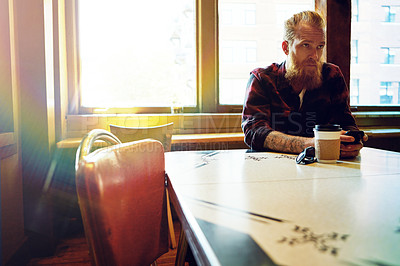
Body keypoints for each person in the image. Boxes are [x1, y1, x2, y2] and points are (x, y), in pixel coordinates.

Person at [241, 10, 367, 158]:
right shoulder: (262, 79)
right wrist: (311, 144)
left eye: (320, 46)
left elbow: (346, 122)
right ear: (286, 47)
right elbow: (254, 131)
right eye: (306, 45)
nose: (315, 56)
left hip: (324, 171)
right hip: (272, 170)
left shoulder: (331, 76)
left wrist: (351, 142)